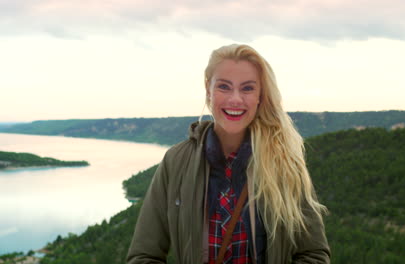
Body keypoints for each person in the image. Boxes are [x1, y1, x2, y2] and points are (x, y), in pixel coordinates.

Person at [127, 44, 330, 264]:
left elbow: (313, 254)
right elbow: (144, 256)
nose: (235, 99)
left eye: (247, 88)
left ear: (260, 95)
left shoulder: (284, 162)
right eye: (224, 87)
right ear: (208, 90)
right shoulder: (176, 161)